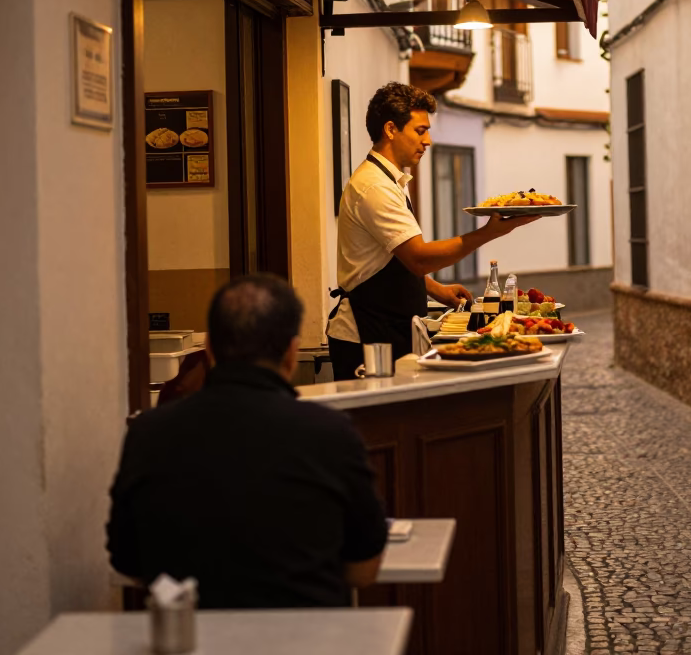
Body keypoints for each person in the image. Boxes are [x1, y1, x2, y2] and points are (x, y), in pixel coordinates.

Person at [107, 273, 388, 608]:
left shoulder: (148, 432)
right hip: (308, 639)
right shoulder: (332, 433)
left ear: (209, 349)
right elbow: (363, 571)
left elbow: (127, 562)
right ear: (292, 353)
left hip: (190, 641)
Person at [327, 82, 539, 380]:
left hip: (387, 328)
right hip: (366, 335)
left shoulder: (391, 180)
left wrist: (434, 289)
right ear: (390, 129)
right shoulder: (375, 186)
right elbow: (418, 258)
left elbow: (390, 261)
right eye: (420, 130)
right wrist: (489, 232)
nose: (428, 141)